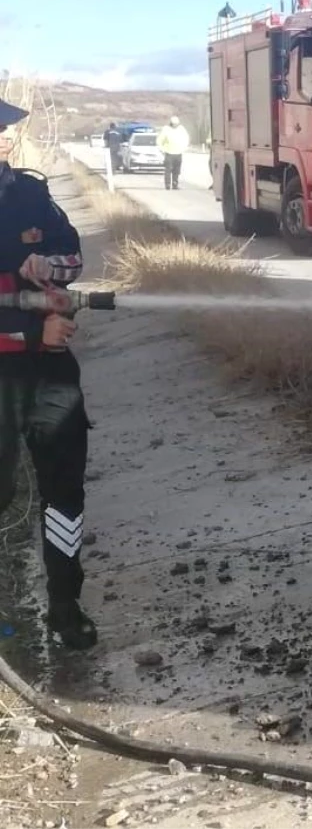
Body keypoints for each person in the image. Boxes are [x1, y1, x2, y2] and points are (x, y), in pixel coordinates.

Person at [0, 98, 96, 650]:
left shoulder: (32, 195)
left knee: (65, 492)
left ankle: (65, 605)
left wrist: (49, 269)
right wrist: (33, 332)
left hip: (51, 375)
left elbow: (72, 257)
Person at [157, 116, 189, 191]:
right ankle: (167, 184)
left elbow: (186, 139)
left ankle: (175, 184)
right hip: (169, 153)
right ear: (171, 123)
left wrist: (184, 148)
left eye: (176, 124)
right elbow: (160, 140)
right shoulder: (166, 130)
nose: (175, 125)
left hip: (178, 153)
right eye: (174, 124)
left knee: (177, 170)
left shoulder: (181, 129)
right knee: (168, 170)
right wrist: (162, 149)